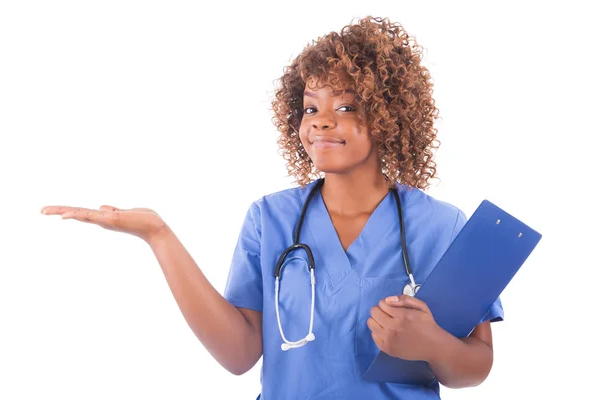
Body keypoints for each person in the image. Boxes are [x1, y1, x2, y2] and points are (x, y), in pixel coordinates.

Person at [41, 15, 503, 399]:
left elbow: (477, 364)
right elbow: (239, 354)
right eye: (310, 108)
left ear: (388, 115)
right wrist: (158, 236)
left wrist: (433, 344)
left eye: (346, 106)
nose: (322, 120)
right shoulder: (270, 219)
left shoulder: (441, 225)